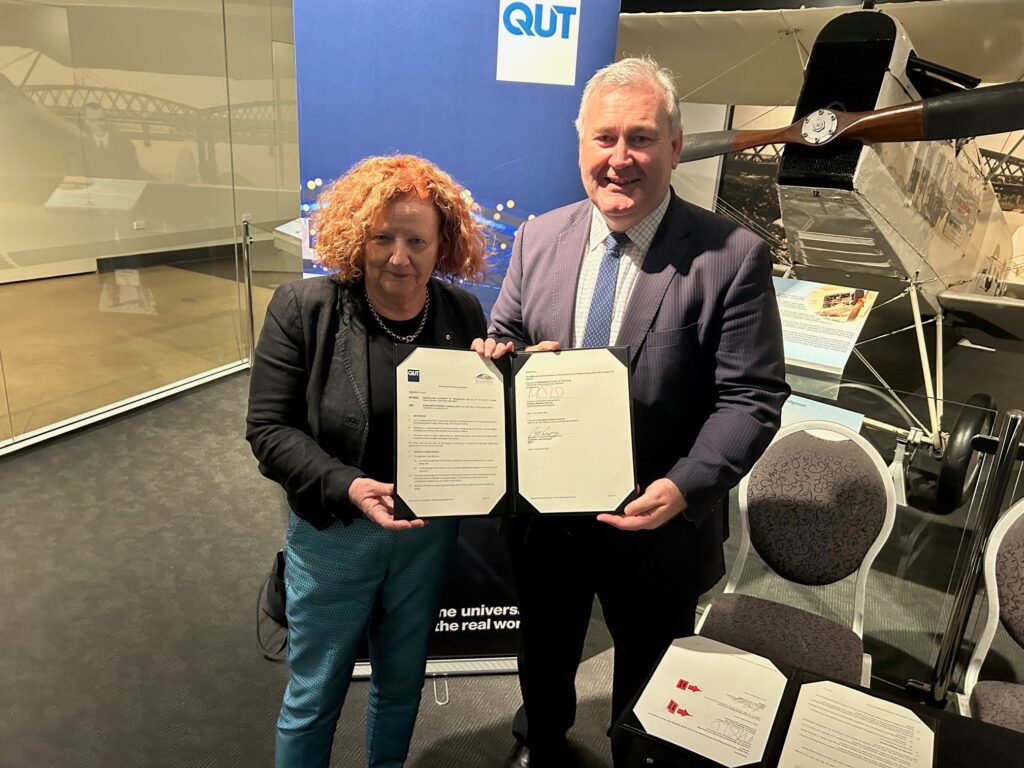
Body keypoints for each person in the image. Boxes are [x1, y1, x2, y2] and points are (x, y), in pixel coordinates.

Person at [472, 57, 790, 767]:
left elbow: (752, 396)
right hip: (547, 517)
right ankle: (541, 740)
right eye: (605, 138)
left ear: (675, 146)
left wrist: (685, 487)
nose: (621, 159)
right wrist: (500, 358)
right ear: (580, 143)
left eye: (641, 138)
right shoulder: (538, 237)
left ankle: (635, 756)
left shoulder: (731, 256)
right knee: (546, 646)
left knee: (650, 679)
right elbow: (509, 335)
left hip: (658, 521)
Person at [246, 154, 488, 768]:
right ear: (358, 236)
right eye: (383, 237)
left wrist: (506, 379)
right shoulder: (304, 308)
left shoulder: (462, 315)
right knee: (313, 695)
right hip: (334, 533)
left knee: (402, 685)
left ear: (444, 245)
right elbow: (269, 430)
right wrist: (348, 485)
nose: (398, 257)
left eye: (416, 240)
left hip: (426, 534)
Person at [79, 102, 143, 179]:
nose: (99, 125)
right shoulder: (80, 146)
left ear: (106, 119)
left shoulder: (125, 144)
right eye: (93, 121)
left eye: (101, 120)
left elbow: (134, 173)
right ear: (86, 122)